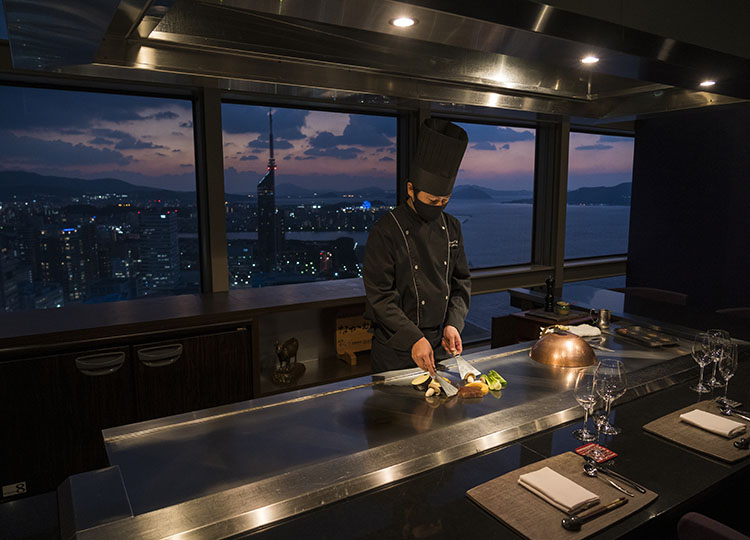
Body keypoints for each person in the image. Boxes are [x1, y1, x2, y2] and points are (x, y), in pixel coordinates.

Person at [363, 118, 471, 375]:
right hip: (397, 348)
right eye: (432, 200)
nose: (438, 206)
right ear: (411, 189)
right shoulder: (386, 230)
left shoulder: (452, 227)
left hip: (440, 345)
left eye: (444, 200)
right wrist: (413, 337)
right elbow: (380, 296)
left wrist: (454, 324)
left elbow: (461, 282)